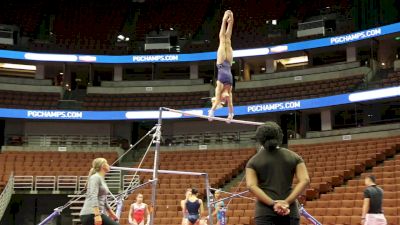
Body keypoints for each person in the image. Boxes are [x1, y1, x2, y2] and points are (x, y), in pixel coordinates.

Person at [245, 122, 310, 225]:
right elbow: (305, 180)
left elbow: (251, 185)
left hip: (264, 212)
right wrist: (287, 202)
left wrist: (273, 203)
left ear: (260, 139)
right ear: (280, 136)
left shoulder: (253, 161)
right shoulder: (294, 157)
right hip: (289, 210)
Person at [208, 10, 234, 121]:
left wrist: (211, 113)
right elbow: (231, 106)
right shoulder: (230, 91)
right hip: (228, 63)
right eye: (225, 101)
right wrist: (230, 115)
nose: (225, 99)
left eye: (223, 100)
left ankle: (224, 21)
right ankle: (231, 22)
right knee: (228, 40)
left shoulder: (220, 87)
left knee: (222, 40)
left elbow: (217, 101)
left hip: (221, 63)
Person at [80, 158, 120, 225]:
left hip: (95, 213)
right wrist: (97, 215)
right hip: (90, 214)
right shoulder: (95, 177)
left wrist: (111, 213)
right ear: (103, 166)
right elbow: (93, 195)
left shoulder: (101, 179)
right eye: (107, 163)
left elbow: (104, 199)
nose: (108, 165)